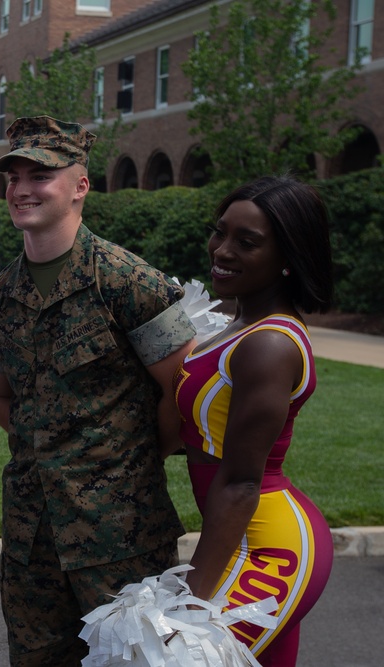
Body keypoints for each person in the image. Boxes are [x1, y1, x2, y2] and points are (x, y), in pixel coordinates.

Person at [0, 116, 196, 666]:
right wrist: (54, 446)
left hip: (122, 537)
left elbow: (183, 391)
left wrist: (131, 454)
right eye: (14, 175)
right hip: (31, 540)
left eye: (40, 174)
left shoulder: (131, 284)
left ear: (80, 186)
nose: (22, 188)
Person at [174, 176, 334, 666]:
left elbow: (242, 482)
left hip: (271, 548)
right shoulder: (235, 328)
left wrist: (191, 603)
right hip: (237, 534)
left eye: (247, 243)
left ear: (288, 257)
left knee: (179, 656)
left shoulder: (270, 344)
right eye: (219, 232)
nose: (222, 250)